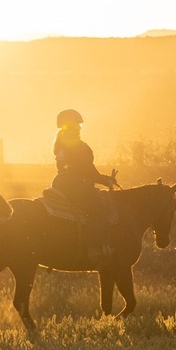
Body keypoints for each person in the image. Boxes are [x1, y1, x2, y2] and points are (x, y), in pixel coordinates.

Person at [52, 108, 118, 259]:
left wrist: (103, 178)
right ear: (71, 127)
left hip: (60, 184)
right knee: (98, 207)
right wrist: (106, 180)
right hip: (76, 186)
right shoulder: (79, 147)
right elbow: (88, 171)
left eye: (79, 126)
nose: (79, 129)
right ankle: (94, 247)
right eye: (77, 126)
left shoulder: (60, 145)